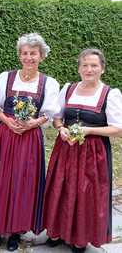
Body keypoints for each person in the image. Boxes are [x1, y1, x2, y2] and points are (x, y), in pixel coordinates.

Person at [0, 33, 60, 251]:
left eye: (33, 53)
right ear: (19, 55)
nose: (29, 57)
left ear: (41, 56)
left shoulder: (49, 83)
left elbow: (49, 115)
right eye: (25, 53)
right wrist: (8, 121)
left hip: (29, 139)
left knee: (24, 181)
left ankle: (15, 230)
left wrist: (31, 124)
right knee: (0, 179)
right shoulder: (6, 78)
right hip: (6, 136)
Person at [43, 48, 122, 253]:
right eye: (85, 65)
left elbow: (119, 129)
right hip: (66, 148)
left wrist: (89, 130)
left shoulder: (110, 94)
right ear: (79, 68)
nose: (89, 69)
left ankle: (80, 238)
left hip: (93, 154)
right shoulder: (68, 88)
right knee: (61, 188)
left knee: (86, 193)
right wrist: (60, 128)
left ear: (102, 69)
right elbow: (57, 116)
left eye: (94, 65)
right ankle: (57, 231)